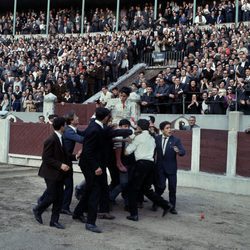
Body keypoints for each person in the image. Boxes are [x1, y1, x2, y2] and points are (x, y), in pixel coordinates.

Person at [32, 117, 80, 229]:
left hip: (58, 173)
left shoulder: (60, 138)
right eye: (65, 125)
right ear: (62, 126)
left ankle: (54, 221)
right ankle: (38, 209)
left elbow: (64, 155)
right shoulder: (51, 139)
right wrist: (60, 165)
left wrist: (75, 156)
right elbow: (46, 158)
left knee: (59, 197)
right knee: (53, 196)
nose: (67, 127)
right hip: (50, 173)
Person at [73, 107, 112, 233]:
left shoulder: (95, 125)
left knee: (90, 189)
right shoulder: (95, 129)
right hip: (91, 165)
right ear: (106, 117)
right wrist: (96, 167)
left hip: (91, 163)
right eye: (109, 116)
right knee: (95, 192)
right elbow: (88, 151)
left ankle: (78, 213)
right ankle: (90, 223)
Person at [125, 119, 172, 221]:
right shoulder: (152, 138)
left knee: (133, 189)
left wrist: (133, 136)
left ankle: (134, 214)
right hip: (151, 165)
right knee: (146, 189)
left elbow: (127, 152)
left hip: (141, 165)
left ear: (139, 127)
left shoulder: (138, 138)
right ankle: (165, 205)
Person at [154, 121, 186, 214]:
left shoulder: (176, 140)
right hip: (160, 167)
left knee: (172, 188)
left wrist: (178, 151)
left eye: (170, 128)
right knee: (160, 187)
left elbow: (183, 152)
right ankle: (156, 202)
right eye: (167, 128)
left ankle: (172, 207)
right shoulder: (157, 139)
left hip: (171, 168)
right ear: (162, 130)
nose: (169, 130)